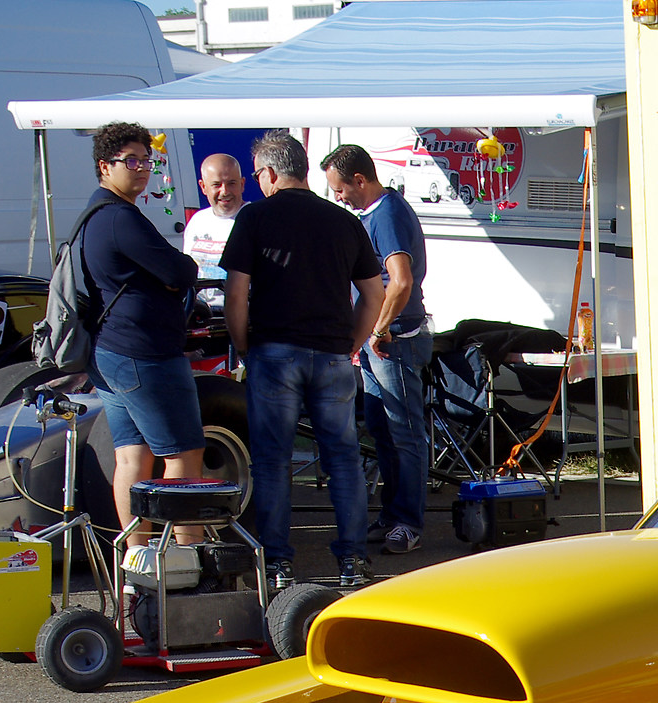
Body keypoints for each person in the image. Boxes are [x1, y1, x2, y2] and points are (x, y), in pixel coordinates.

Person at [222, 130, 384, 589]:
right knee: (344, 459)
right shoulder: (344, 220)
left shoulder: (255, 217)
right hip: (332, 354)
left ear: (270, 172)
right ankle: (353, 562)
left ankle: (278, 564)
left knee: (273, 462)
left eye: (257, 175)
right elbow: (374, 293)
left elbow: (236, 293)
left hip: (273, 353)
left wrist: (243, 345)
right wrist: (351, 342)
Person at [77, 121, 206, 545]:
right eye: (131, 160)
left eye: (147, 160)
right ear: (104, 166)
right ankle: (186, 556)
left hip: (111, 351)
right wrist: (173, 277)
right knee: (183, 455)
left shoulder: (96, 215)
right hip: (143, 354)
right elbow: (181, 269)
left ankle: (137, 556)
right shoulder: (118, 218)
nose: (142, 168)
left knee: (133, 457)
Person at [320, 144, 431, 555]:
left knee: (404, 433)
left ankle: (408, 522)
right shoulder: (378, 213)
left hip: (393, 342)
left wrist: (379, 328)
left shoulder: (386, 214)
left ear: (360, 180)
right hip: (376, 341)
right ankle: (392, 515)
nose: (339, 197)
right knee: (383, 431)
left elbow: (400, 281)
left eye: (340, 189)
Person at [180, 152, 245, 271]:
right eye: (216, 185)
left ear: (242, 184)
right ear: (203, 187)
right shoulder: (197, 221)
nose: (224, 191)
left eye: (231, 183)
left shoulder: (256, 220)